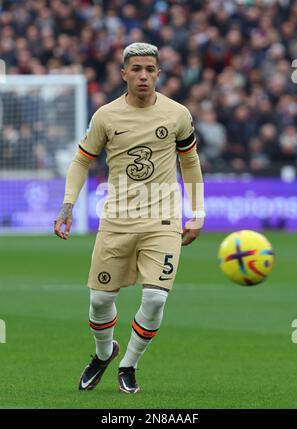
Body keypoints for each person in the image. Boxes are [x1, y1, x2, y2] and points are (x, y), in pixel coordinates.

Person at [54, 42, 205, 394]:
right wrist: (67, 205)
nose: (143, 75)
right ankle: (104, 353)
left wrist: (197, 212)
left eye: (150, 69)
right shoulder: (106, 116)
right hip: (117, 219)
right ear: (123, 73)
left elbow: (190, 162)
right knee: (100, 301)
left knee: (155, 298)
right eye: (136, 69)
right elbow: (81, 160)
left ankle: (129, 365)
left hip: (163, 220)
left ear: (158, 74)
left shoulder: (177, 113)